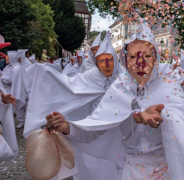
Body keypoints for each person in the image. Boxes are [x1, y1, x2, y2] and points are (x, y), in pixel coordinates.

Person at [42, 22, 184, 180]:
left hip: (166, 170)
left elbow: (183, 121)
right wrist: (67, 127)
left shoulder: (168, 83)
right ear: (125, 60)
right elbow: (94, 129)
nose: (140, 63)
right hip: (131, 171)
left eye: (147, 56)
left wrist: (163, 116)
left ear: (155, 59)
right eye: (133, 57)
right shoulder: (120, 88)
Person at [24, 32, 125, 180]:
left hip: (118, 136)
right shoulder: (91, 76)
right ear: (96, 61)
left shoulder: (124, 80)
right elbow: (70, 87)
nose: (107, 65)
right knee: (92, 167)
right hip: (93, 128)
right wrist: (44, 75)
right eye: (102, 60)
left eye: (110, 59)